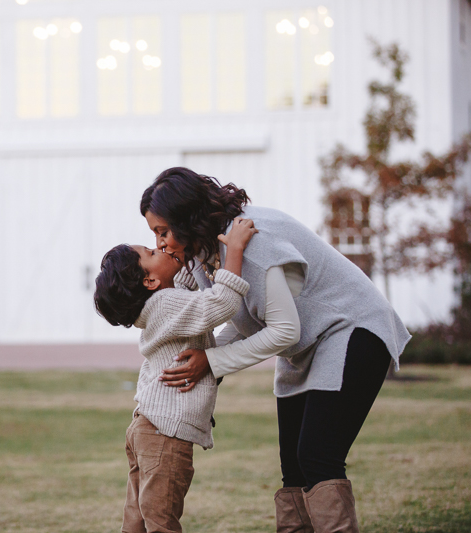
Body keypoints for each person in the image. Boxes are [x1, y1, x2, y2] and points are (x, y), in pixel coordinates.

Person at [140, 167, 411, 533]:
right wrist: (207, 359)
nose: (160, 244)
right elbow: (247, 317)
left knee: (317, 456)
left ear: (187, 217)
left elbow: (284, 330)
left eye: (163, 231)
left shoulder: (252, 243)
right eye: (154, 235)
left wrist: (214, 361)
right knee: (294, 469)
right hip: (305, 344)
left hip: (351, 330)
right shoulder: (208, 253)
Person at [94, 217, 258, 533]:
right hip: (163, 434)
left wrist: (184, 248)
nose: (161, 248)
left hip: (147, 428)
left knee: (138, 521)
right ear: (150, 282)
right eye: (152, 253)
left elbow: (182, 280)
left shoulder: (160, 302)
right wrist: (234, 247)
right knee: (161, 522)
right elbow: (221, 303)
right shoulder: (166, 305)